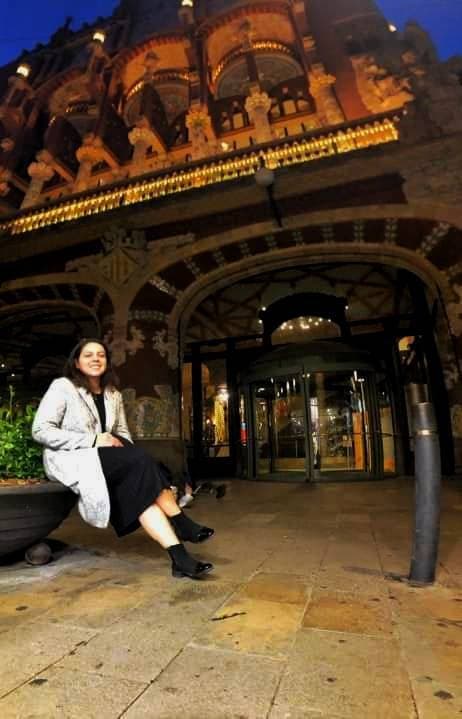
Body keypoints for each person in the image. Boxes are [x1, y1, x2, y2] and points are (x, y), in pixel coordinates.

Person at [31, 338, 214, 580]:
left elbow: (123, 433)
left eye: (101, 355)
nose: (95, 359)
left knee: (144, 496)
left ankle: (180, 559)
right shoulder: (63, 387)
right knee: (142, 462)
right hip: (70, 459)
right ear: (76, 362)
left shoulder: (112, 394)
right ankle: (181, 521)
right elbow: (41, 430)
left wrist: (124, 450)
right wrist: (94, 440)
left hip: (107, 458)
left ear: (107, 362)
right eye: (88, 355)